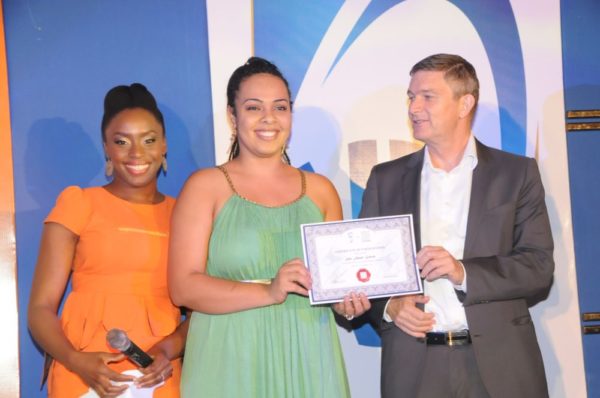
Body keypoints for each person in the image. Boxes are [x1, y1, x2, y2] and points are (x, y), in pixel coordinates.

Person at [168, 57, 368, 398]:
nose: (268, 119)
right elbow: (182, 288)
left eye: (280, 107)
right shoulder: (205, 186)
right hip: (229, 359)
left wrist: (346, 303)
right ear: (233, 116)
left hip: (308, 356)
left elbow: (334, 283)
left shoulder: (320, 191)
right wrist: (268, 291)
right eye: (253, 107)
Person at [359, 54, 554, 397]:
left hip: (501, 365)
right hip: (414, 367)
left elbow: (538, 267)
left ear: (465, 104)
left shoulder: (516, 174)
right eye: (410, 96)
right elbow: (366, 273)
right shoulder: (384, 180)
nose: (414, 107)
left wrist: (463, 271)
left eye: (427, 97)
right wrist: (390, 307)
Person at [28, 83, 188, 398]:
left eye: (149, 140)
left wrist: (166, 351)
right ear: (107, 148)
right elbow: (40, 308)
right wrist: (76, 361)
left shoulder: (185, 214)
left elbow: (199, 314)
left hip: (157, 379)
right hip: (83, 376)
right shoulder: (79, 203)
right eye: (121, 141)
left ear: (165, 145)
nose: (137, 153)